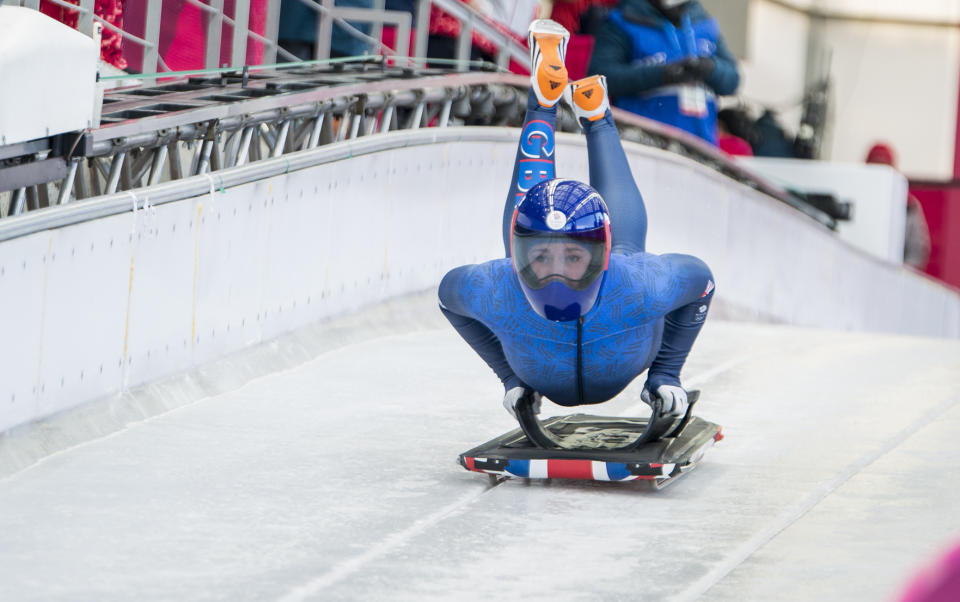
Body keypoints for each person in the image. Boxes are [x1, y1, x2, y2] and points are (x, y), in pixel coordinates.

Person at [438, 19, 715, 420]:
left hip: (601, 289)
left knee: (619, 250)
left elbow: (700, 282)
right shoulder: (496, 285)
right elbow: (449, 299)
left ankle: (555, 109)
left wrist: (667, 373)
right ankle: (593, 114)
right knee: (537, 228)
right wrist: (509, 379)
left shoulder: (639, 283)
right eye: (542, 259)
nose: (556, 276)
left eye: (572, 257)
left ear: (597, 256)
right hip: (600, 341)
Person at [587, 0, 740, 145]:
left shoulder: (704, 24)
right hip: (642, 145)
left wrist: (710, 68)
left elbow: (732, 80)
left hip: (701, 148)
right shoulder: (622, 22)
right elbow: (600, 78)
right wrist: (661, 75)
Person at [865, 143, 931, 270]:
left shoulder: (909, 205)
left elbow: (918, 250)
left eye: (884, 168)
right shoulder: (854, 197)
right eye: (875, 167)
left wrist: (899, 274)